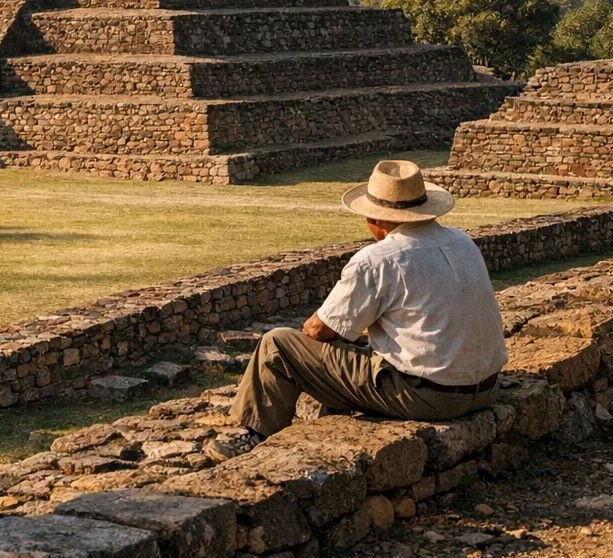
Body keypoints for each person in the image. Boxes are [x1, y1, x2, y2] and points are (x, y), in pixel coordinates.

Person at [206, 159, 508, 463]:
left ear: (377, 219)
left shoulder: (380, 258)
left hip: (428, 398)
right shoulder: (462, 241)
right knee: (358, 347)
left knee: (278, 345)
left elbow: (319, 330)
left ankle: (255, 434)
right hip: (486, 388)